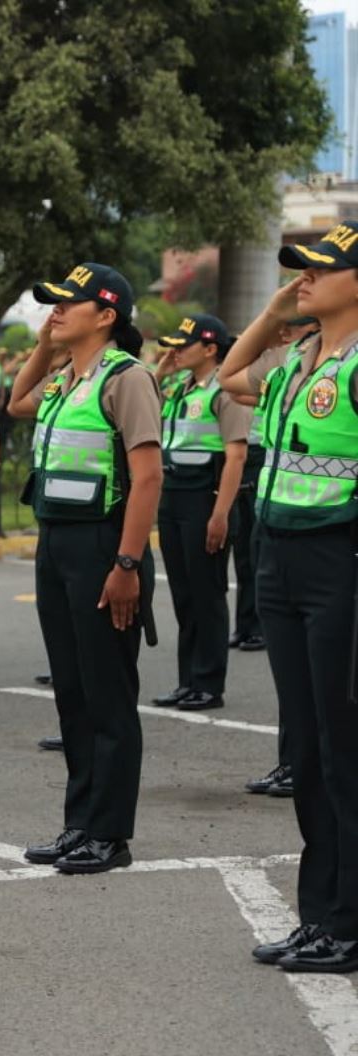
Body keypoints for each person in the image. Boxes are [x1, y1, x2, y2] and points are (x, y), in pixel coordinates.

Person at [218, 228, 358, 970]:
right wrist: (274, 316)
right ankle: (319, 916)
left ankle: (348, 920)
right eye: (298, 270)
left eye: (321, 270)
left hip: (340, 559)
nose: (303, 278)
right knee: (306, 750)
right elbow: (229, 377)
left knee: (344, 751)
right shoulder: (298, 363)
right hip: (281, 560)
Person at [6, 262, 161, 875]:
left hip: (104, 545)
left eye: (68, 305)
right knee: (72, 691)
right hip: (58, 544)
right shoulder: (67, 380)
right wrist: (45, 344)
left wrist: (127, 562)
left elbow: (148, 476)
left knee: (108, 695)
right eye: (52, 305)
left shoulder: (126, 379)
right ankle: (80, 822)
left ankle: (110, 832)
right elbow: (16, 400)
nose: (55, 312)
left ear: (107, 316)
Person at [224, 317, 317, 800]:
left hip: (326, 535)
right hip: (278, 513)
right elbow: (233, 378)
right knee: (295, 677)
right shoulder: (289, 369)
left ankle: (298, 763)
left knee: (322, 683)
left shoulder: (325, 368)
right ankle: (292, 762)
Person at [151, 314, 247, 712]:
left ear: (210, 349)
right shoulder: (178, 388)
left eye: (183, 344)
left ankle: (208, 684)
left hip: (206, 500)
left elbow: (236, 454)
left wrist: (221, 513)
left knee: (206, 595)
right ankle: (187, 680)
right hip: (174, 498)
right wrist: (161, 369)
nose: (174, 351)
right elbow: (141, 398)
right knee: (183, 595)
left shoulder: (224, 391)